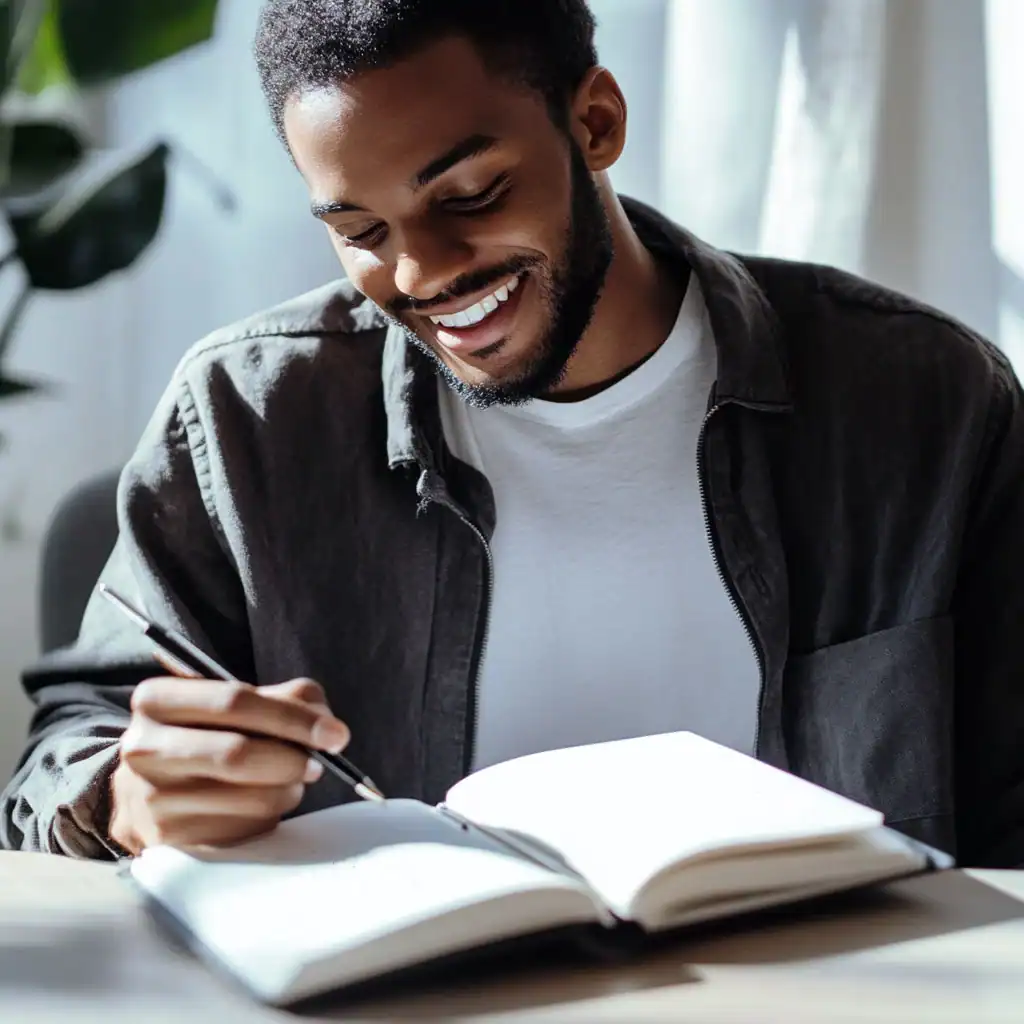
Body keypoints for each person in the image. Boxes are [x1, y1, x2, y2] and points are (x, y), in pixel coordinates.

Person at [3, 0, 1023, 866]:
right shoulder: (246, 419)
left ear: (594, 122)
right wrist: (125, 799)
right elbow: (72, 744)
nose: (420, 273)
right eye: (360, 231)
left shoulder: (922, 402)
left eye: (469, 195)